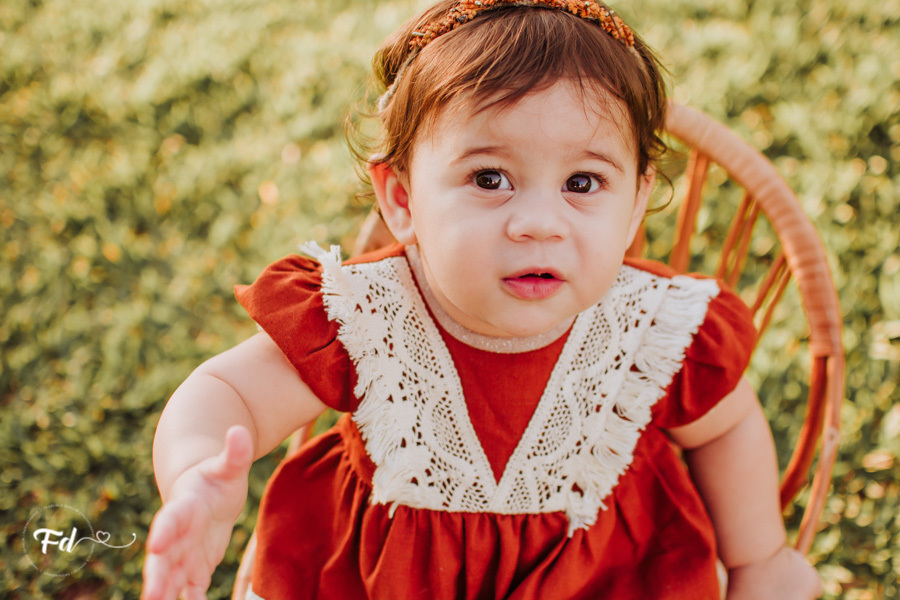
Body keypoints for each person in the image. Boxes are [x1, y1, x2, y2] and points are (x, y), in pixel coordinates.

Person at [142, 1, 824, 598]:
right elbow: (228, 391)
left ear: (637, 200)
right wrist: (200, 474)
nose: (538, 222)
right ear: (403, 200)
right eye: (490, 177)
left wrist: (758, 557)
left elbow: (725, 426)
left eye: (583, 183)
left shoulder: (651, 328)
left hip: (606, 578)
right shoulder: (365, 319)